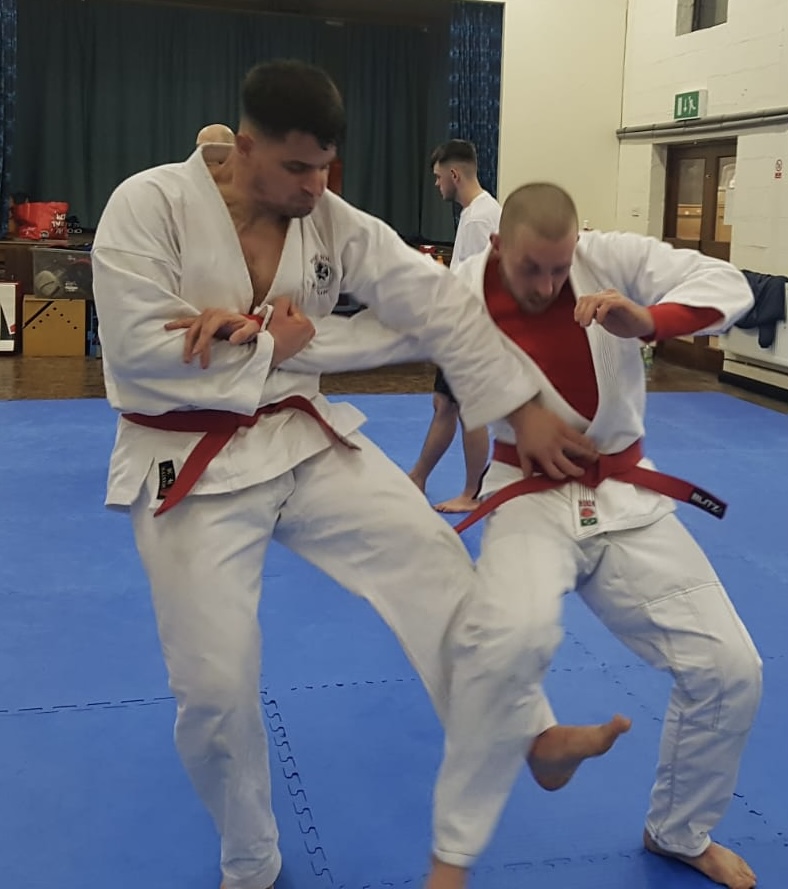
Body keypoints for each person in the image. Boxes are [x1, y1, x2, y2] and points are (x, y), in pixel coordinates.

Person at [91, 61, 615, 889]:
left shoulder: (331, 220)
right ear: (244, 147)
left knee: (432, 556)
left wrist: (524, 406)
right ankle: (251, 857)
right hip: (185, 458)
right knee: (215, 689)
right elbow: (132, 346)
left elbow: (440, 302)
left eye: (325, 167)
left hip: (301, 437)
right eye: (296, 168)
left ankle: (530, 735)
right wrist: (272, 344)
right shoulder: (148, 205)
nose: (314, 186)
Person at [290, 183, 762, 889]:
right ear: (498, 246)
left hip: (625, 494)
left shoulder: (607, 257)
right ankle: (453, 858)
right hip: (527, 498)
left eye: (559, 268)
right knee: (507, 645)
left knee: (732, 669)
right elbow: (376, 333)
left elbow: (725, 282)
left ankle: (679, 830)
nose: (547, 284)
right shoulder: (461, 291)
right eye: (531, 268)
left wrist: (650, 320)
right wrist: (274, 335)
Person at [409, 141, 501, 514]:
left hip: (474, 329)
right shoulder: (478, 212)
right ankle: (418, 477)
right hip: (468, 326)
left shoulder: (480, 217)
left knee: (464, 409)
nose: (436, 185)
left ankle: (470, 492)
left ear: (454, 174)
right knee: (445, 404)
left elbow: (484, 282)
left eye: (437, 178)